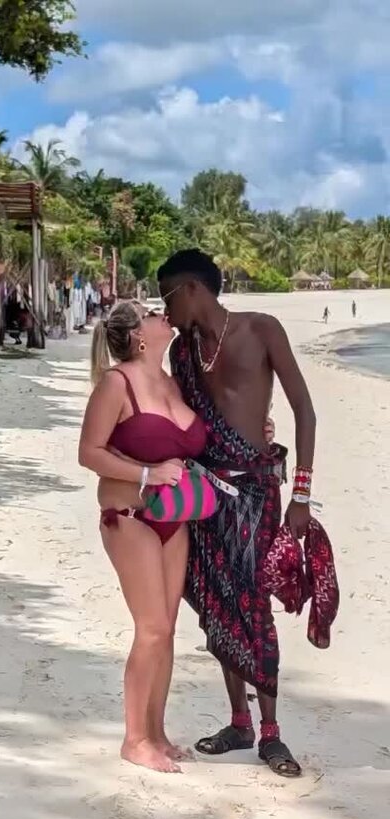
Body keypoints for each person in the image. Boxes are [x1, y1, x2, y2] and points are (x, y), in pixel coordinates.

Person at [157, 249, 317, 778]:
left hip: (257, 493)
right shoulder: (181, 352)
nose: (167, 311)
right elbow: (181, 422)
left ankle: (271, 732)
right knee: (216, 606)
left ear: (193, 289)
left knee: (253, 607)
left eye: (168, 298)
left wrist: (301, 495)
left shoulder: (261, 329)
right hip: (205, 495)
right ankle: (239, 722)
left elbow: (305, 410)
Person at [78, 302, 207, 773]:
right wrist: (147, 473)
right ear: (139, 335)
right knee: (150, 628)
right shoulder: (117, 384)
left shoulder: (171, 382)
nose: (163, 313)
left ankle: (157, 733)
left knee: (166, 630)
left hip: (174, 519)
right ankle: (134, 740)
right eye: (153, 312)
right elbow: (88, 453)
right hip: (129, 515)